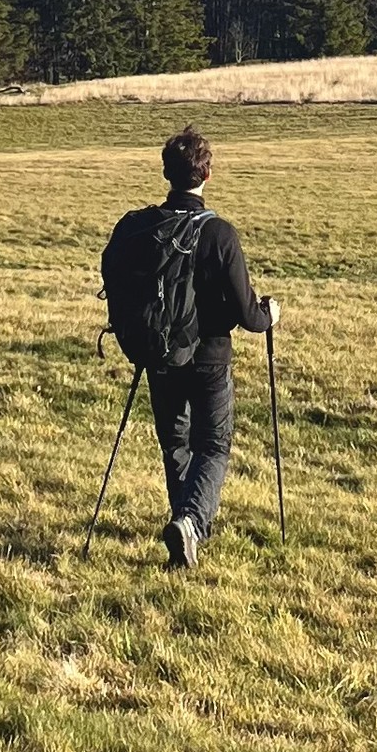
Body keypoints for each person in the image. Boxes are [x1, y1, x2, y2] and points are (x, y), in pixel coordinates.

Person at [100, 125, 278, 569]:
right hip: (210, 360)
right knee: (213, 446)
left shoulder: (143, 228)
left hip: (158, 354)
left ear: (166, 173)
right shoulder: (220, 234)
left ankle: (186, 527)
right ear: (207, 174)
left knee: (175, 443)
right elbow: (247, 315)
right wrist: (270, 314)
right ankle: (192, 523)